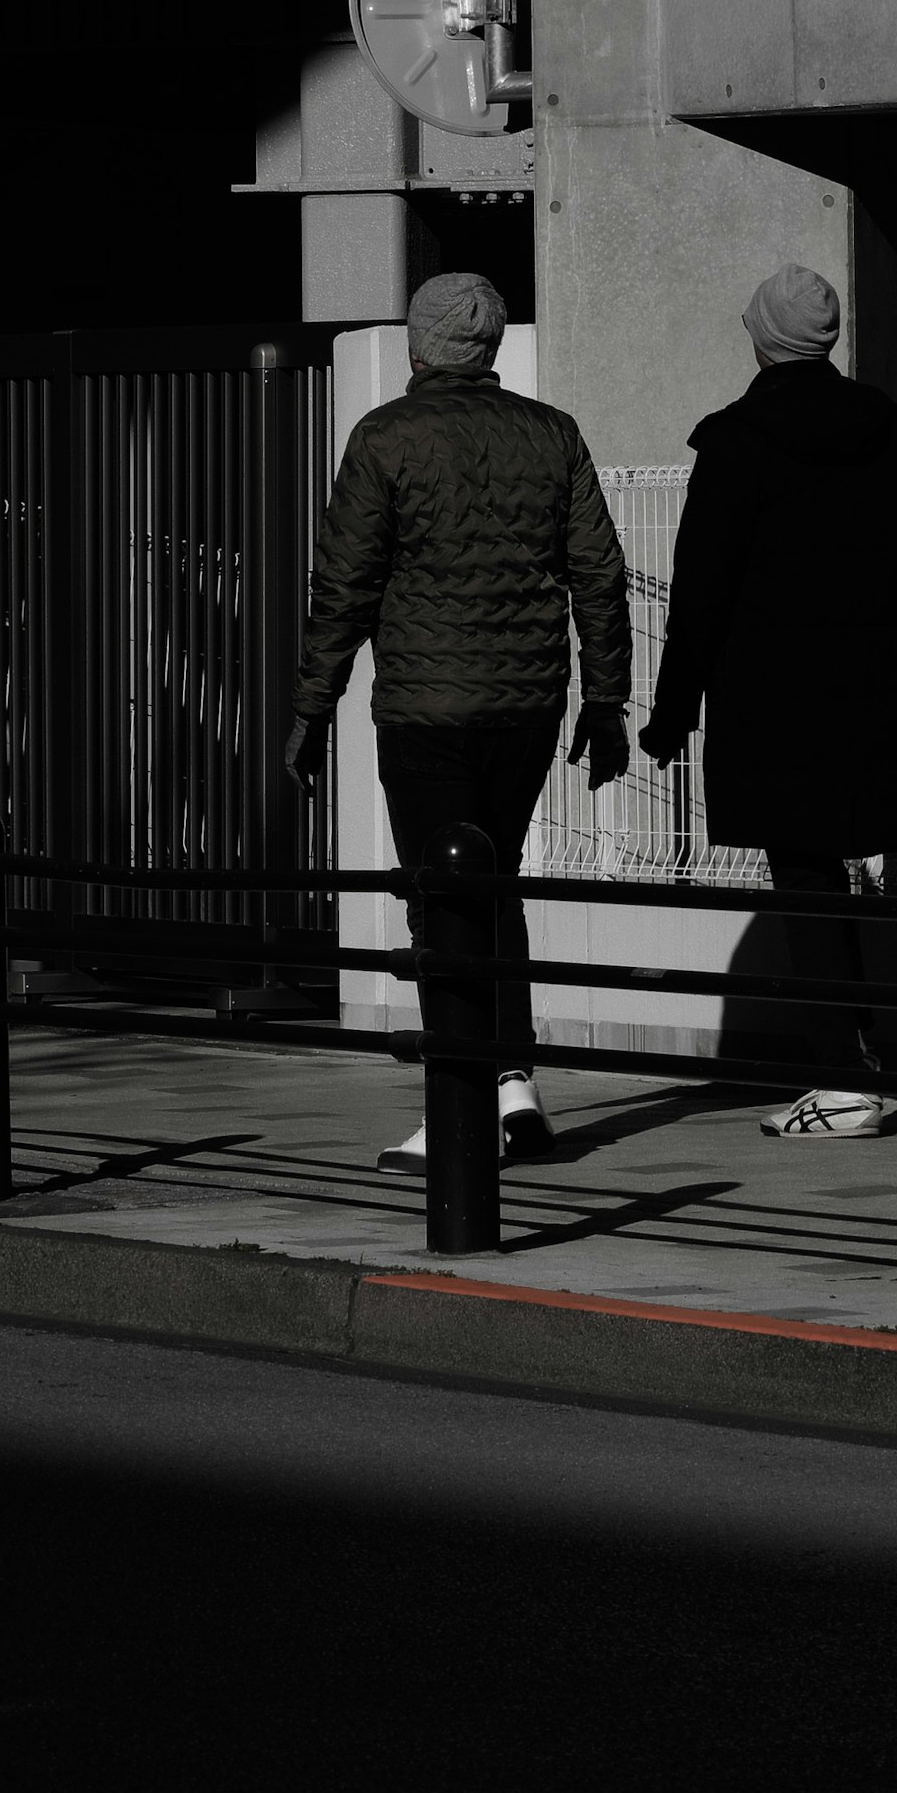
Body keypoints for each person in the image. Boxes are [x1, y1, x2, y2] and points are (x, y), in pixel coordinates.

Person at [285, 272, 632, 1174]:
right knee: (494, 886)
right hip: (528, 706)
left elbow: (345, 587)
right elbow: (598, 574)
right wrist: (605, 703)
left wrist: (310, 707)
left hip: (426, 707)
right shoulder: (551, 435)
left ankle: (459, 1101)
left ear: (418, 346)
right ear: (491, 345)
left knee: (441, 901)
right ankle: (514, 1088)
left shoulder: (386, 438)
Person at [639, 264, 897, 1140]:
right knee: (836, 876)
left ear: (765, 334)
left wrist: (671, 714)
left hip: (775, 701)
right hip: (876, 693)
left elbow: (703, 589)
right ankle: (853, 1059)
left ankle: (842, 1078)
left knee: (806, 879)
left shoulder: (739, 440)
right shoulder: (892, 429)